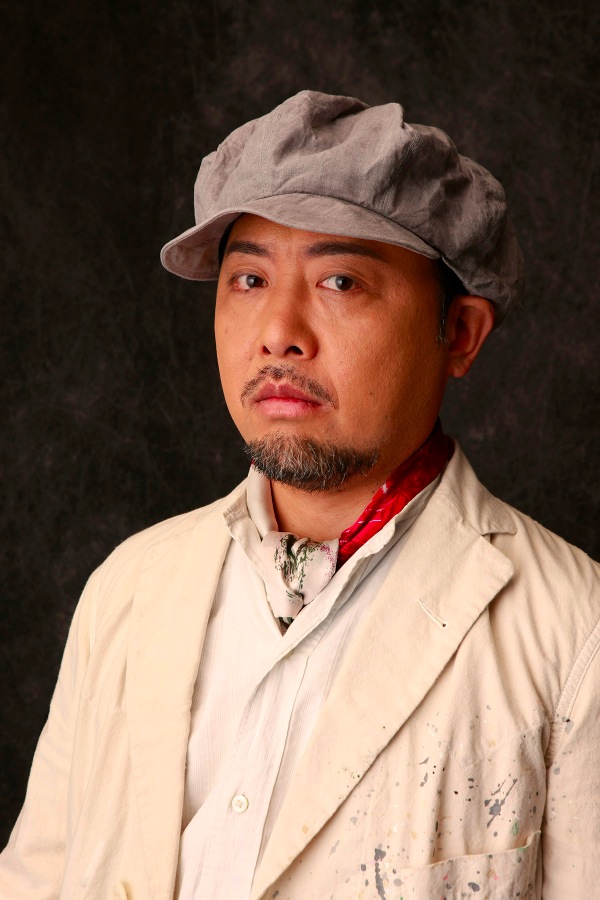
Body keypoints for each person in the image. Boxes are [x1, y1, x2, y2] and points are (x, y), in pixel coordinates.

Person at [1, 91, 599, 900]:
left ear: (458, 334)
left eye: (340, 281)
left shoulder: (574, 635)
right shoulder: (129, 588)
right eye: (249, 278)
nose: (278, 331)